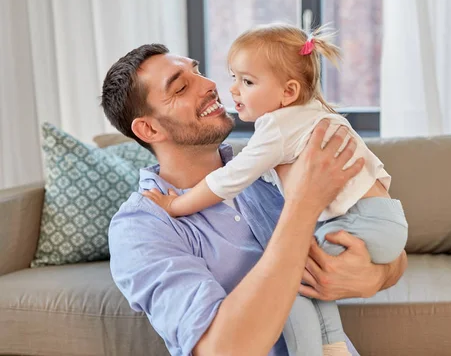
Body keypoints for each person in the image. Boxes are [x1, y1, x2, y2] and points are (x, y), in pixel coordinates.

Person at [101, 43, 408, 356]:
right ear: (149, 128)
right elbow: (223, 350)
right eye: (181, 87)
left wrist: (372, 277)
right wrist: (303, 205)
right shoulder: (141, 228)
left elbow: (392, 253)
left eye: (198, 72)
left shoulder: (267, 168)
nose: (209, 85)